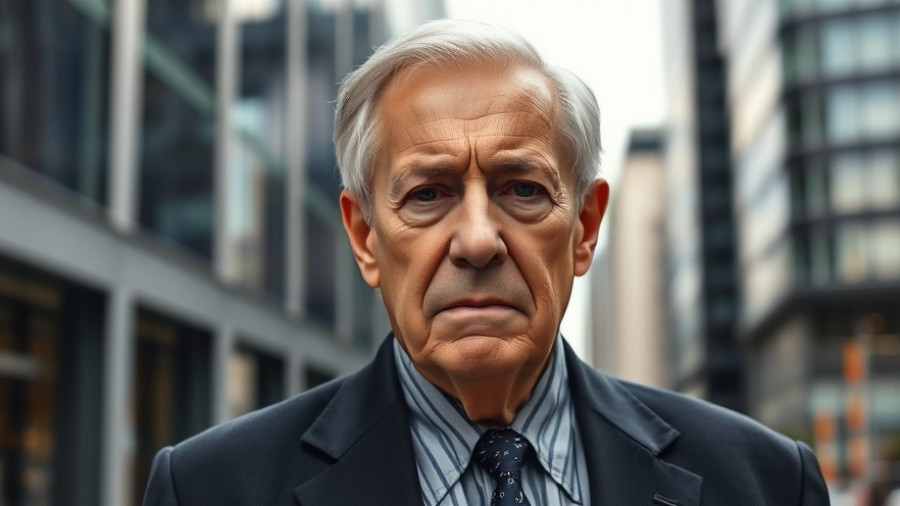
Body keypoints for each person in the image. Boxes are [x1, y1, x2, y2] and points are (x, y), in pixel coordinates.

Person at [143, 19, 829, 506]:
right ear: (364, 238)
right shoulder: (207, 488)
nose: (477, 240)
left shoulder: (765, 483)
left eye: (522, 190)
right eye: (428, 194)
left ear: (585, 227)